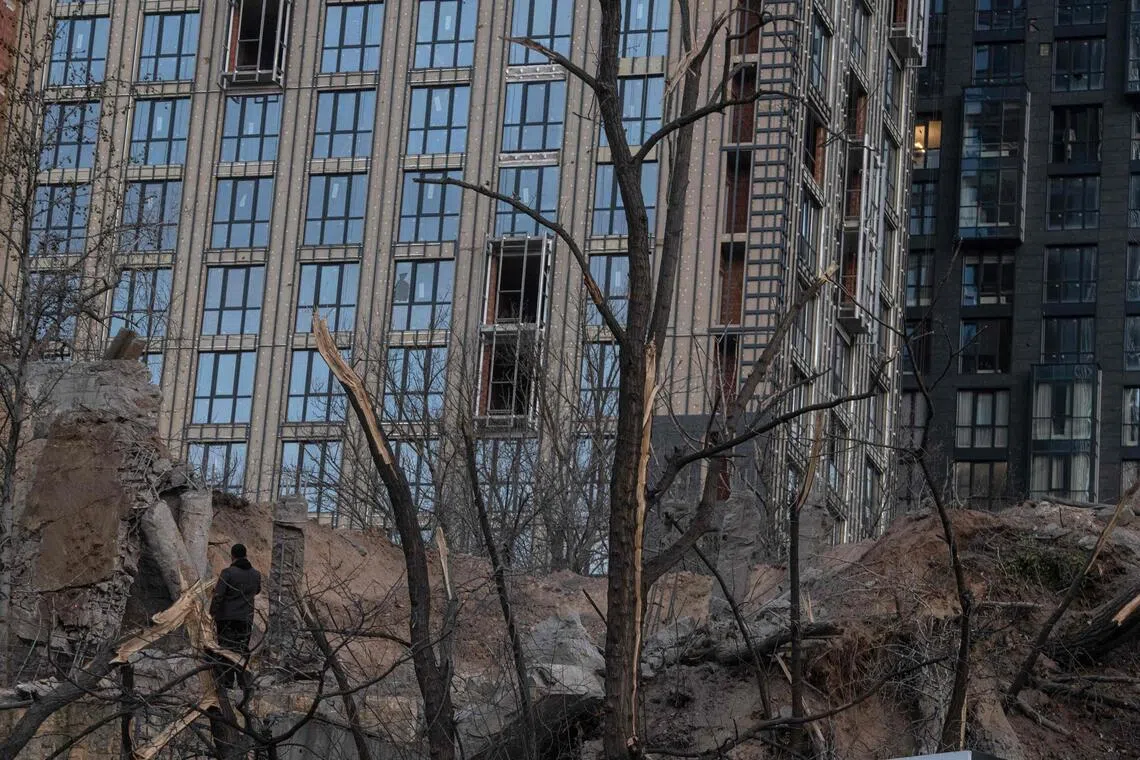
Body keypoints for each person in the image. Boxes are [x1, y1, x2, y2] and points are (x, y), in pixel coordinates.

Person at [210, 543, 261, 688]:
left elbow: (219, 595)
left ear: (232, 556)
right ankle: (244, 682)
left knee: (226, 650)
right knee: (242, 649)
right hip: (245, 618)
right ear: (246, 555)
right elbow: (257, 591)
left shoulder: (227, 573)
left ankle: (227, 682)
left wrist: (212, 613)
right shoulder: (256, 574)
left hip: (226, 618)